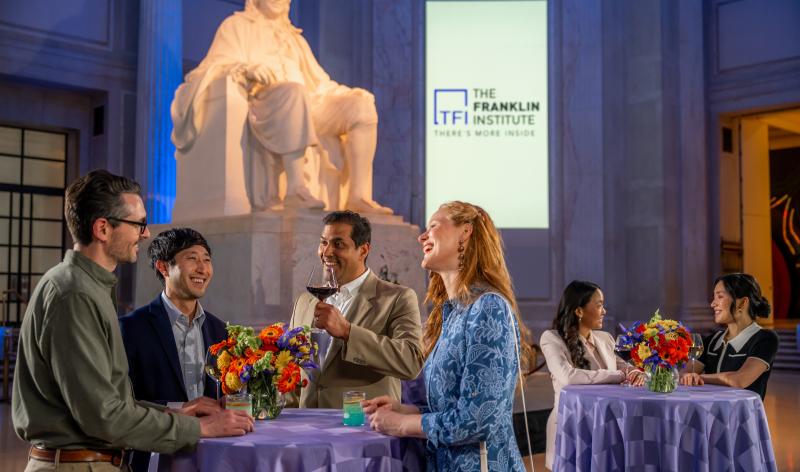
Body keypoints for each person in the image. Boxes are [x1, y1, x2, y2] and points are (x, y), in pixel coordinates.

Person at [12, 170, 253, 472]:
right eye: (138, 224)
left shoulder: (88, 287)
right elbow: (103, 416)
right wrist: (199, 428)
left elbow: (111, 401)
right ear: (103, 229)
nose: (146, 233)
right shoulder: (75, 294)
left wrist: (175, 413)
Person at [362, 201, 537, 471]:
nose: (422, 236)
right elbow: (453, 409)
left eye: (433, 226)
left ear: (465, 232)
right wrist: (405, 410)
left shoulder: (489, 307)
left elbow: (479, 420)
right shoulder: (452, 313)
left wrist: (403, 424)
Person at [171, 0, 392, 214]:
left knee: (361, 106)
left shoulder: (295, 39)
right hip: (264, 101)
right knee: (294, 92)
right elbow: (214, 66)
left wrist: (349, 94)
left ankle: (358, 197)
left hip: (309, 104)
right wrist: (245, 68)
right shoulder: (236, 26)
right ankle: (296, 189)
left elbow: (321, 83)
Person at [288, 210, 423, 408]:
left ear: (363, 250)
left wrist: (347, 332)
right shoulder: (304, 301)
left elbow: (411, 362)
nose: (326, 252)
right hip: (305, 423)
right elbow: (292, 375)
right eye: (323, 242)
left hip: (363, 422)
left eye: (338, 244)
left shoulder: (397, 298)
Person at [119, 228, 228, 472]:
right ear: (163, 267)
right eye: (192, 258)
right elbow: (122, 404)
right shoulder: (130, 329)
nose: (202, 268)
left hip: (214, 459)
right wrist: (180, 409)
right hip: (155, 459)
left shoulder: (221, 331)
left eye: (206, 260)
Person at [540, 280, 644, 470]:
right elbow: (568, 377)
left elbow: (625, 367)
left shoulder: (606, 338)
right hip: (571, 425)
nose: (604, 311)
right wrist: (617, 376)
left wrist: (636, 373)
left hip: (608, 426)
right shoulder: (552, 338)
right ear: (579, 311)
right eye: (599, 305)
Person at [680, 273, 779, 399]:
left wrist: (698, 378)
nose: (713, 304)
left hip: (742, 411)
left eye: (720, 296)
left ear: (742, 303)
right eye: (714, 297)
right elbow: (685, 374)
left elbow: (739, 380)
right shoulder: (712, 340)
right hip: (710, 410)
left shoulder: (765, 339)